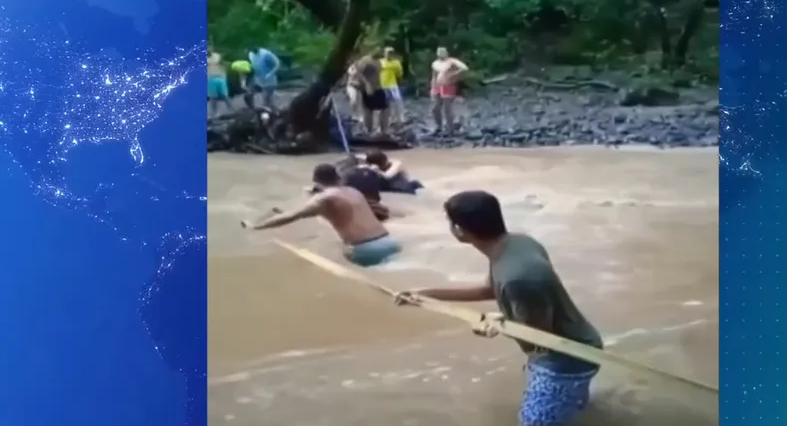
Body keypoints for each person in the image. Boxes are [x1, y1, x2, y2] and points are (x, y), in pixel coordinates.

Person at [395, 190, 604, 426]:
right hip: (582, 345)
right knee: (572, 410)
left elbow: (539, 340)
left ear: (459, 230)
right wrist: (426, 295)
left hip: (566, 362)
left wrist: (496, 325)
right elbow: (490, 290)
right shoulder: (518, 244)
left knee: (533, 422)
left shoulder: (518, 277)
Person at [245, 164, 400, 266]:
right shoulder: (354, 191)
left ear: (315, 181)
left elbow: (290, 217)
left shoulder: (323, 200)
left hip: (365, 251)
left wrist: (256, 227)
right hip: (391, 243)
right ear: (338, 177)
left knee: (327, 250)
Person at [430, 47, 468, 135]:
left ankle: (450, 128)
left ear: (446, 53)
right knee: (435, 108)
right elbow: (434, 76)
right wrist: (432, 88)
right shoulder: (435, 63)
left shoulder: (451, 61)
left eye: (443, 52)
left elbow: (464, 68)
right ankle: (438, 126)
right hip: (438, 86)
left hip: (448, 85)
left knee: (447, 108)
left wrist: (453, 74)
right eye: (440, 52)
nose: (441, 54)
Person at [355, 52, 389, 137]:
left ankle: (383, 131)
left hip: (378, 87)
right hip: (368, 88)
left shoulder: (378, 61)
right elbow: (359, 73)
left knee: (385, 108)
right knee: (369, 109)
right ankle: (368, 130)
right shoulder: (365, 60)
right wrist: (367, 84)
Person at [379, 47, 405, 127]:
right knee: (386, 103)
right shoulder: (380, 62)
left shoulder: (396, 63)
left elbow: (400, 74)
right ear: (384, 53)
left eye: (390, 53)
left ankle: (400, 118)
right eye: (387, 52)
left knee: (397, 101)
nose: (388, 54)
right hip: (382, 85)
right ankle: (389, 119)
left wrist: (399, 81)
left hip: (392, 84)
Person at [208, 49, 233, 117]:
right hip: (210, 79)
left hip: (220, 77)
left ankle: (231, 110)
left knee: (225, 95)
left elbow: (223, 63)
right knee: (213, 97)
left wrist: (225, 63)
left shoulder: (217, 56)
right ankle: (214, 113)